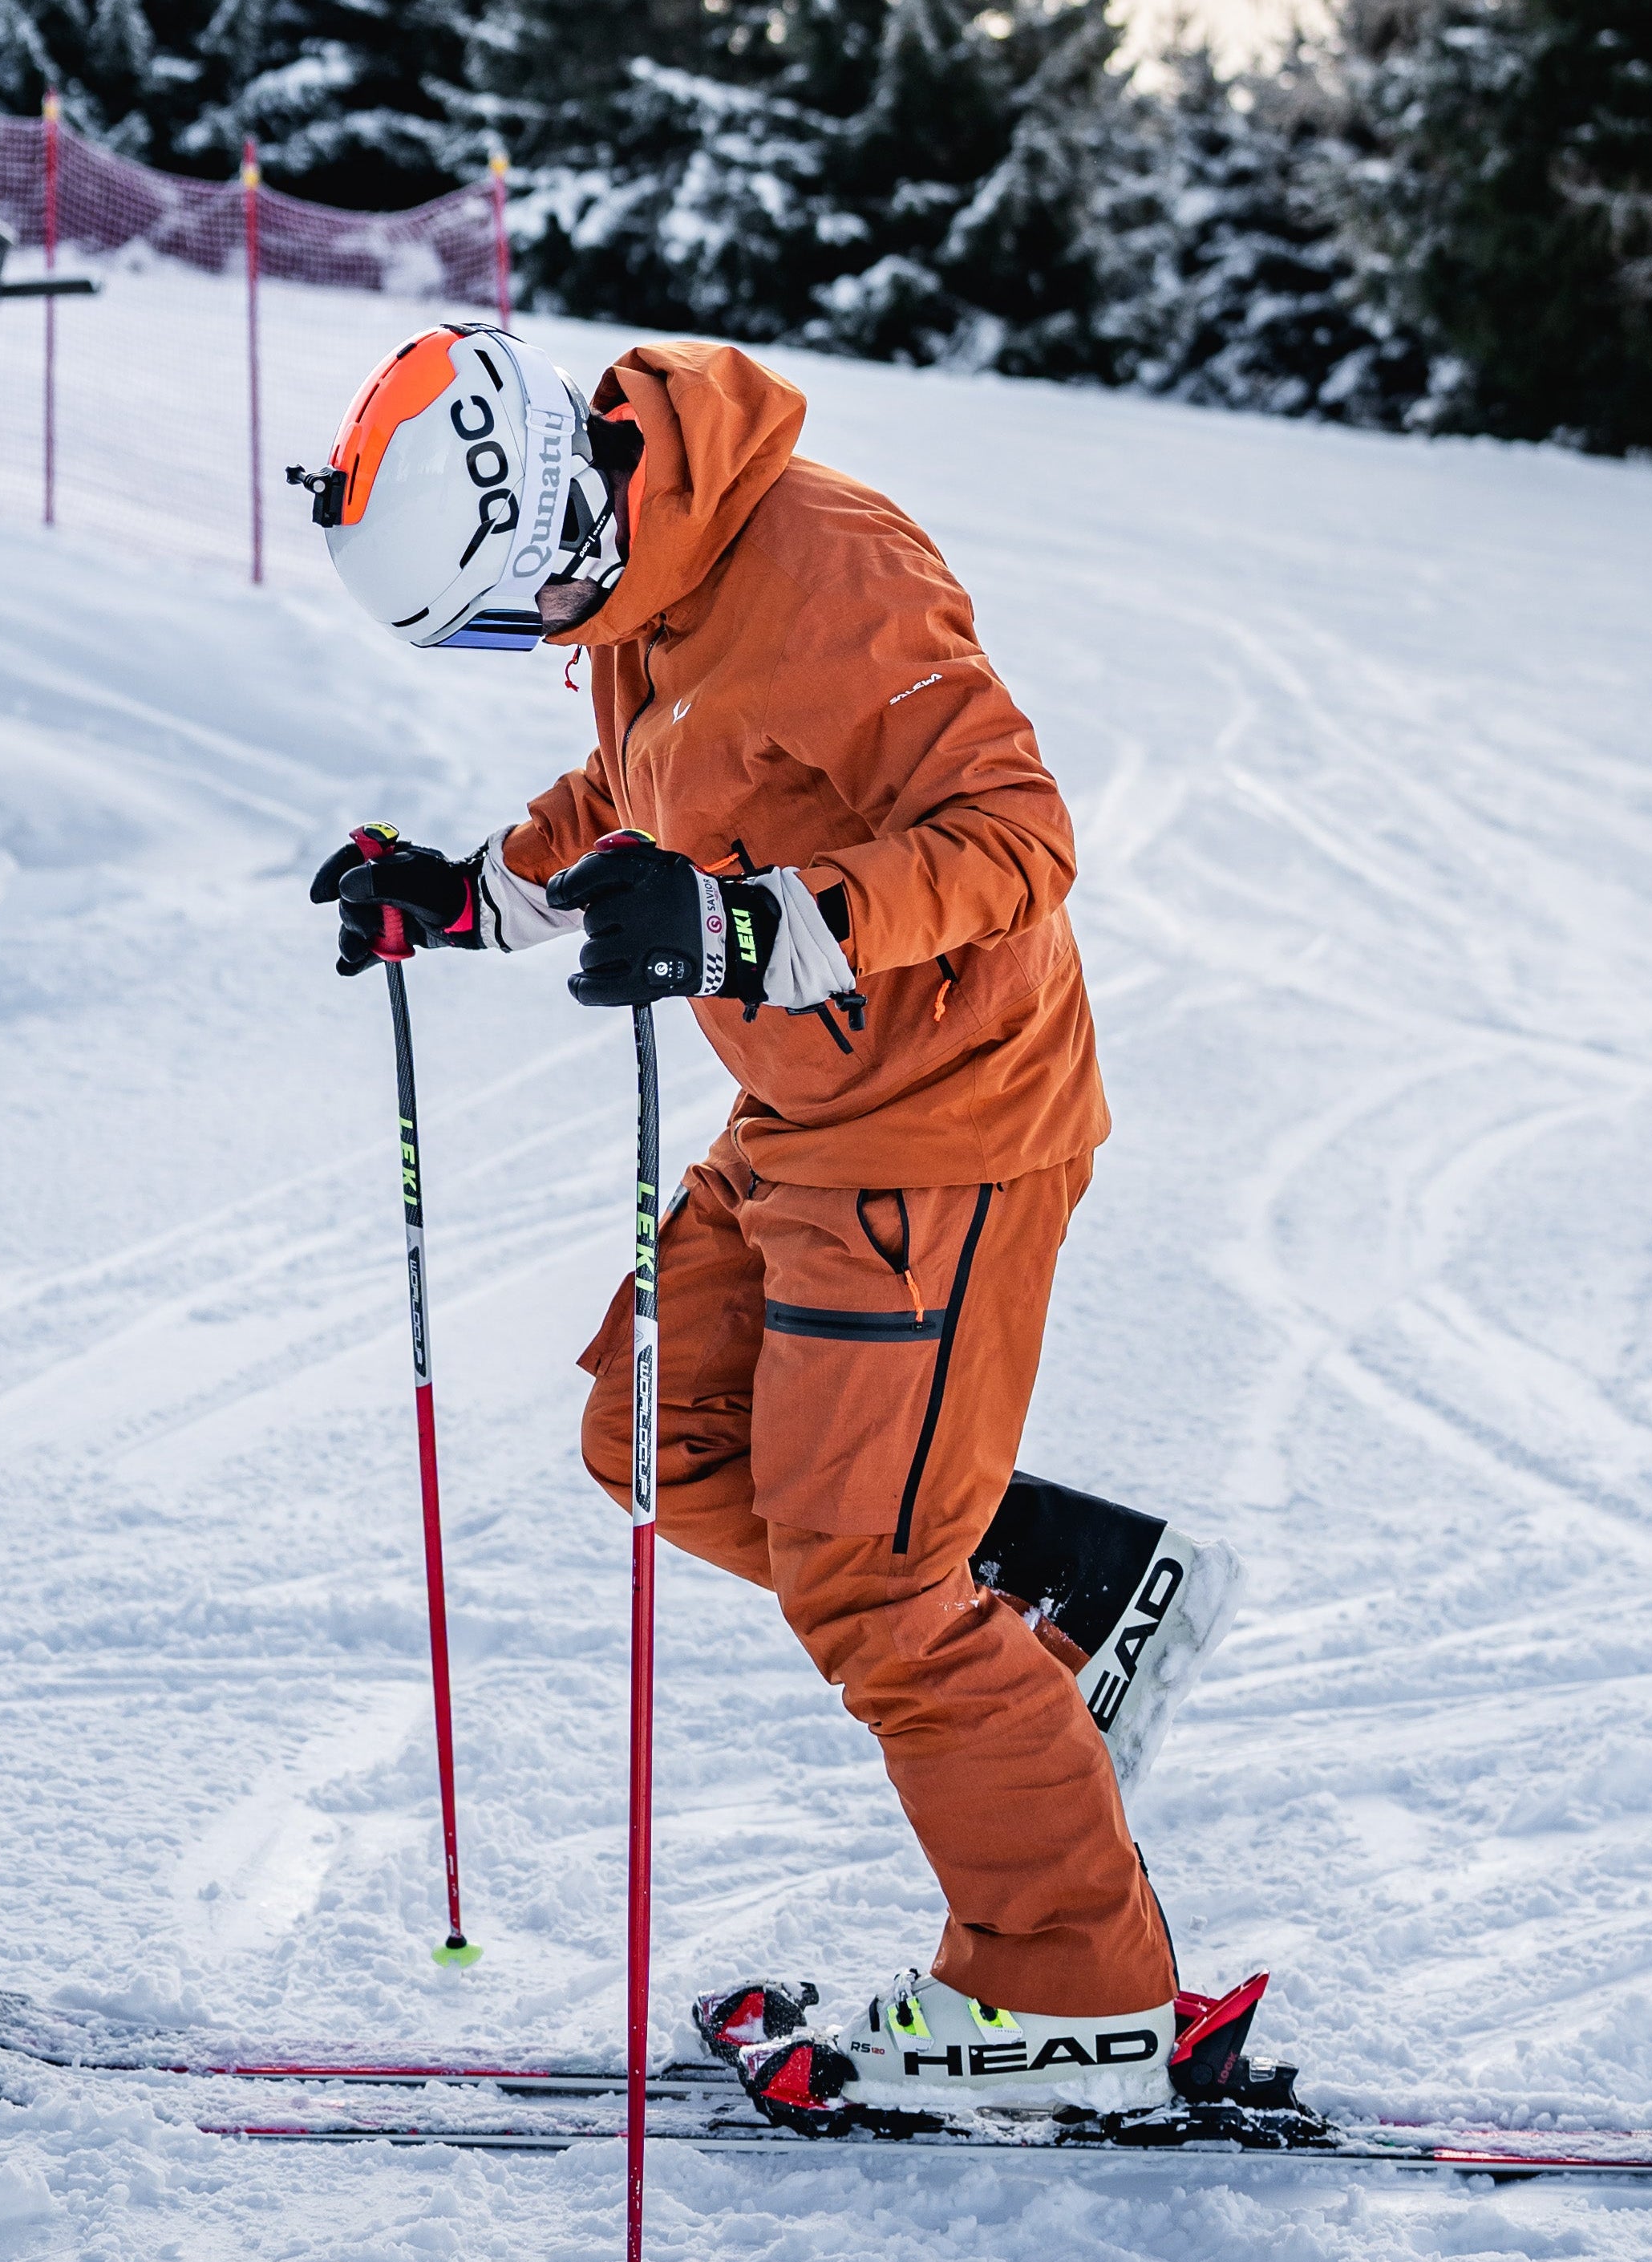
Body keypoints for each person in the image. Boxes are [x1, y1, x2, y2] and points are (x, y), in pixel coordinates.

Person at [297, 322, 1241, 2122]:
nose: (534, 649)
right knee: (654, 1437)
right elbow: (644, 790)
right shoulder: (636, 579)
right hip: (802, 1111)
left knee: (870, 1577)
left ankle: (1074, 1995)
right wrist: (468, 897)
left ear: (553, 505)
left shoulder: (828, 567)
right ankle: (1061, 1609)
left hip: (938, 1126)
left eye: (508, 615)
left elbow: (1017, 837)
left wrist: (741, 934)